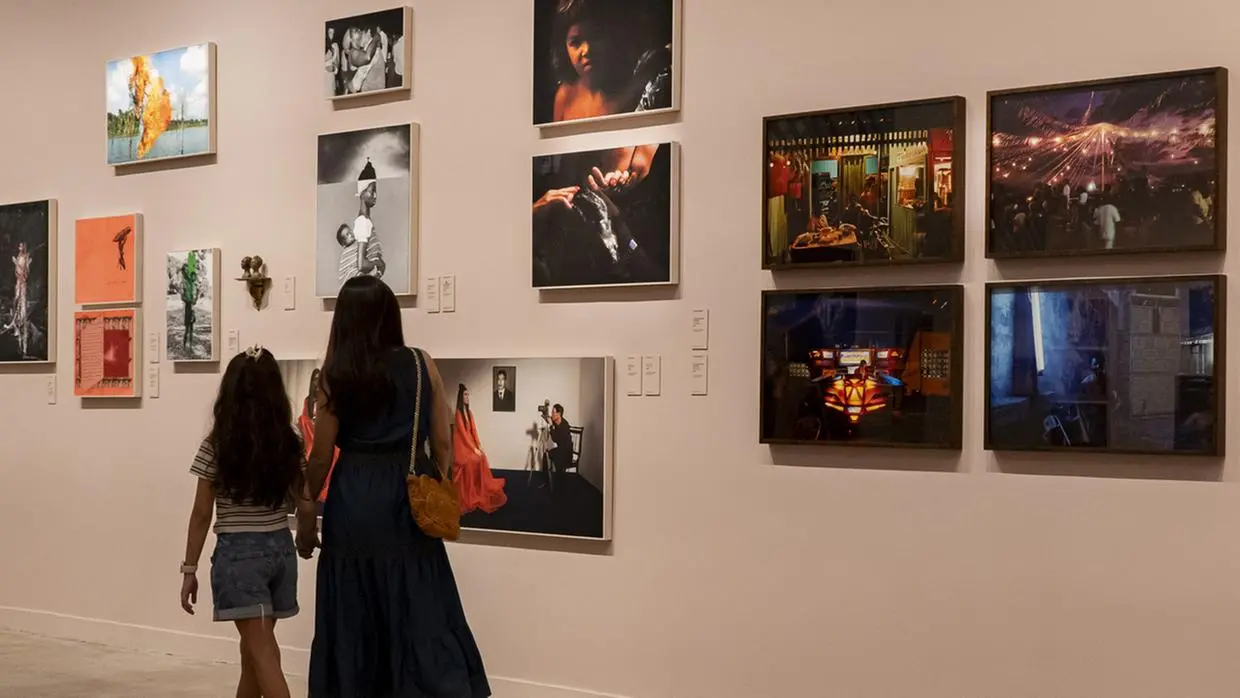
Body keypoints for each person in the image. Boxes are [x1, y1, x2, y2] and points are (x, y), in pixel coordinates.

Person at [305, 275, 490, 697]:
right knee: (418, 601)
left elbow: (321, 454)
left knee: (354, 607)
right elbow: (443, 438)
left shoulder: (336, 374)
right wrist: (433, 481)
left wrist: (305, 497)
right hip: (404, 493)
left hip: (352, 496)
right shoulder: (421, 363)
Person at [178, 346, 319, 698]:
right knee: (253, 654)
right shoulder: (290, 441)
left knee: (264, 655)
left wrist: (189, 568)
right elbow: (304, 501)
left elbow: (200, 513)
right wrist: (305, 537)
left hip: (239, 556)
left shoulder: (217, 445)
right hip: (280, 552)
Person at [548, 0, 673, 123]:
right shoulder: (565, 97)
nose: (587, 50)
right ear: (563, 49)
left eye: (595, 36)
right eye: (575, 42)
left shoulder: (637, 89)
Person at [453, 384, 508, 514]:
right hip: (461, 446)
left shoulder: (469, 412)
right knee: (472, 460)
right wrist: (473, 448)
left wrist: (478, 445)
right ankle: (471, 490)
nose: (467, 397)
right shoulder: (458, 414)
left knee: (481, 457)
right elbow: (463, 434)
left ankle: (479, 487)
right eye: (465, 395)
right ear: (460, 397)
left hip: (469, 444)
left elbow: (474, 431)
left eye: (468, 395)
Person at [297, 368, 338, 502]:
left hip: (324, 438)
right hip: (310, 438)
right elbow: (304, 420)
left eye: (319, 379)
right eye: (315, 379)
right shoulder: (308, 401)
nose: (317, 382)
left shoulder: (329, 401)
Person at [5, 242, 32, 357]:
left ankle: (24, 347)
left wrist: (17, 263)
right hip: (18, 283)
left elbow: (25, 273)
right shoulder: (19, 256)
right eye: (19, 246)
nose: (19, 248)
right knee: (15, 302)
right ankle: (14, 324)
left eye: (20, 246)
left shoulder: (26, 257)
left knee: (21, 305)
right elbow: (17, 272)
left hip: (22, 284)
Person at [542, 403, 574, 489]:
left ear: (559, 414)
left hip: (567, 453)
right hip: (560, 450)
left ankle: (559, 486)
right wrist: (546, 418)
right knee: (546, 455)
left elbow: (556, 439)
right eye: (552, 412)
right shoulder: (556, 422)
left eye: (553, 412)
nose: (552, 414)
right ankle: (546, 481)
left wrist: (551, 426)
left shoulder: (565, 425)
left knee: (558, 459)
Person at [179, 251, 200, 354]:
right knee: (187, 329)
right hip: (188, 308)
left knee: (191, 329)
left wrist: (196, 298)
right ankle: (184, 346)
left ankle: (190, 346)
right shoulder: (184, 283)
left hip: (191, 308)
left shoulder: (191, 284)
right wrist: (190, 301)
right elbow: (182, 296)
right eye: (186, 270)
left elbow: (194, 273)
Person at [324, 27, 340, 96]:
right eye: (330, 33)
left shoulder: (334, 46)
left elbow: (337, 65)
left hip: (331, 78)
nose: (331, 36)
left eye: (333, 33)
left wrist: (335, 68)